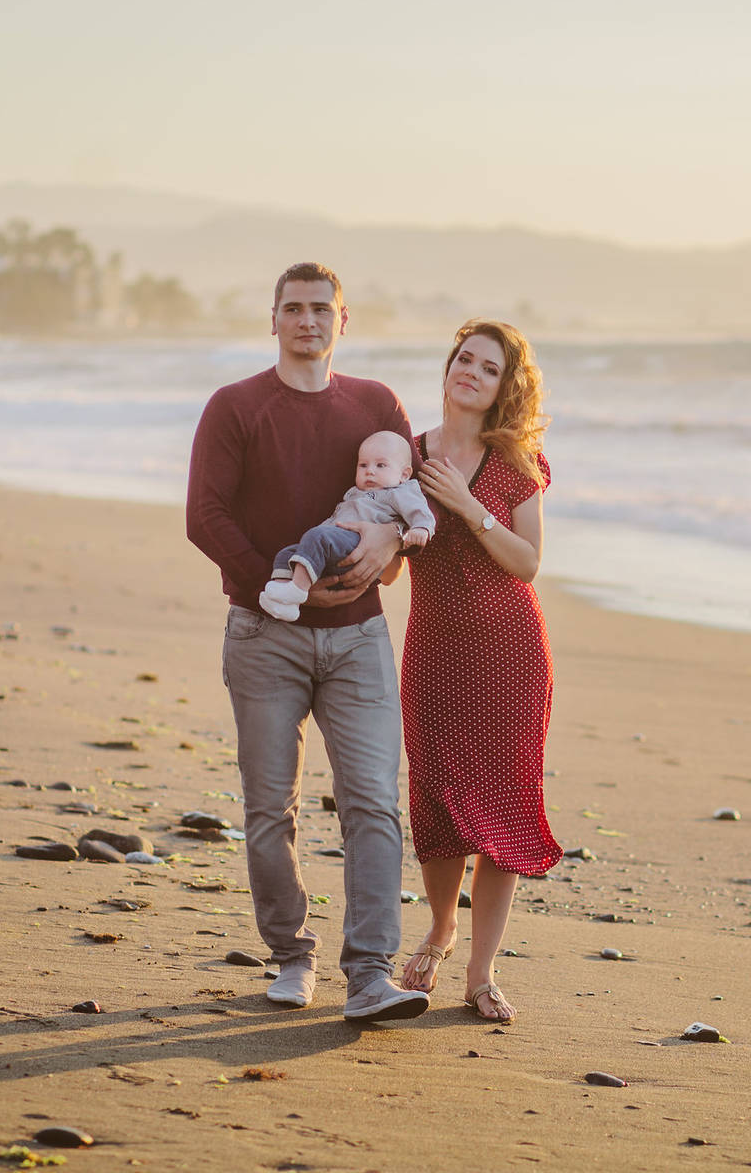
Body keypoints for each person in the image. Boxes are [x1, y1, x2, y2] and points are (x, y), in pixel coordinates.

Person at [185, 261, 430, 1022]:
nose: (307, 320)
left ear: (343, 321)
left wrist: (390, 546)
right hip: (265, 634)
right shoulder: (235, 406)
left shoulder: (376, 404)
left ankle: (370, 976)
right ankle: (292, 955)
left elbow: (407, 504)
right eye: (292, 308)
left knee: (373, 806)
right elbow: (205, 515)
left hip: (359, 638)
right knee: (268, 811)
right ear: (273, 320)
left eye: (322, 309)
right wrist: (277, 579)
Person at [397, 318, 559, 1023]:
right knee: (436, 801)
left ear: (503, 388)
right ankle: (439, 926)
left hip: (510, 655)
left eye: (487, 368)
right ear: (448, 369)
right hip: (433, 652)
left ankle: (481, 972)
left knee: (505, 809)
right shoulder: (404, 455)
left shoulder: (517, 463)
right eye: (463, 359)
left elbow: (528, 564)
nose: (470, 372)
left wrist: (466, 507)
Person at [259, 430, 433, 622]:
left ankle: (298, 590)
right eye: (363, 465)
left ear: (404, 474)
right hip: (336, 543)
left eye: (381, 465)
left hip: (361, 544)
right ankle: (282, 598)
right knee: (288, 554)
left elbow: (421, 512)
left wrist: (421, 529)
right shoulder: (355, 493)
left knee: (316, 536)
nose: (370, 471)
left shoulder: (399, 492)